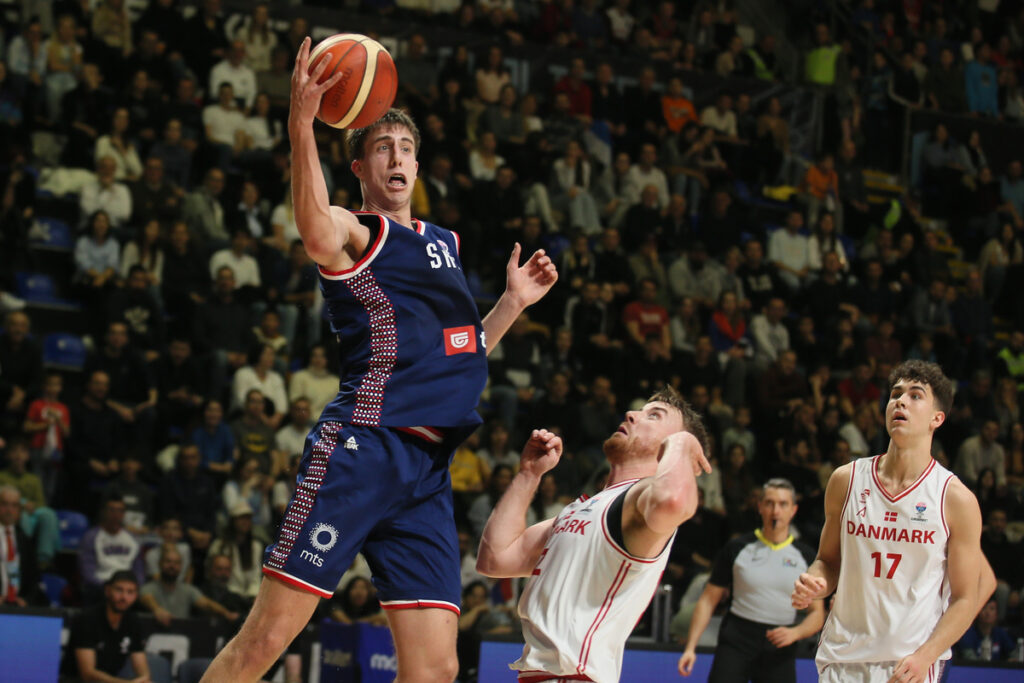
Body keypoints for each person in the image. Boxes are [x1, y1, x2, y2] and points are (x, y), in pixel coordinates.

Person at [199, 36, 557, 683]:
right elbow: (314, 230)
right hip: (362, 450)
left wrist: (509, 303)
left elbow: (459, 351)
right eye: (382, 148)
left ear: (418, 167)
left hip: (426, 472)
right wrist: (301, 127)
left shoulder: (443, 243)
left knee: (434, 669)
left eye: (407, 148)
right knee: (266, 640)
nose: (397, 157)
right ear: (360, 168)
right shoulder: (357, 231)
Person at [476, 387, 711, 682]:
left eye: (654, 416)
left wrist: (684, 444)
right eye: (639, 409)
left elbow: (674, 501)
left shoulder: (640, 499)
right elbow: (495, 559)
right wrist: (528, 475)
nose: (632, 414)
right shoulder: (584, 507)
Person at [792, 360, 998, 683]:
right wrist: (815, 582)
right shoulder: (846, 480)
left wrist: (925, 657)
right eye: (895, 394)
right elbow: (828, 562)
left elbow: (965, 598)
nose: (900, 401)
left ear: (937, 418)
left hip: (907, 665)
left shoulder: (955, 499)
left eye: (915, 395)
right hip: (841, 657)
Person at [678, 479, 825, 681]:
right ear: (760, 507)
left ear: (793, 510)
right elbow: (708, 599)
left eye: (783, 504)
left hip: (780, 641)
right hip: (737, 638)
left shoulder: (806, 556)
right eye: (769, 503)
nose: (775, 511)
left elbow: (817, 613)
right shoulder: (737, 548)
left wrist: (796, 633)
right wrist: (690, 647)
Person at [69, 570, 168, 683]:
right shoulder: (87, 619)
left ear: (136, 596)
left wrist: (145, 680)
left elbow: (143, 670)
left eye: (130, 592)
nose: (124, 597)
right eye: (119, 590)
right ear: (107, 590)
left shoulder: (133, 621)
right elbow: (87, 674)